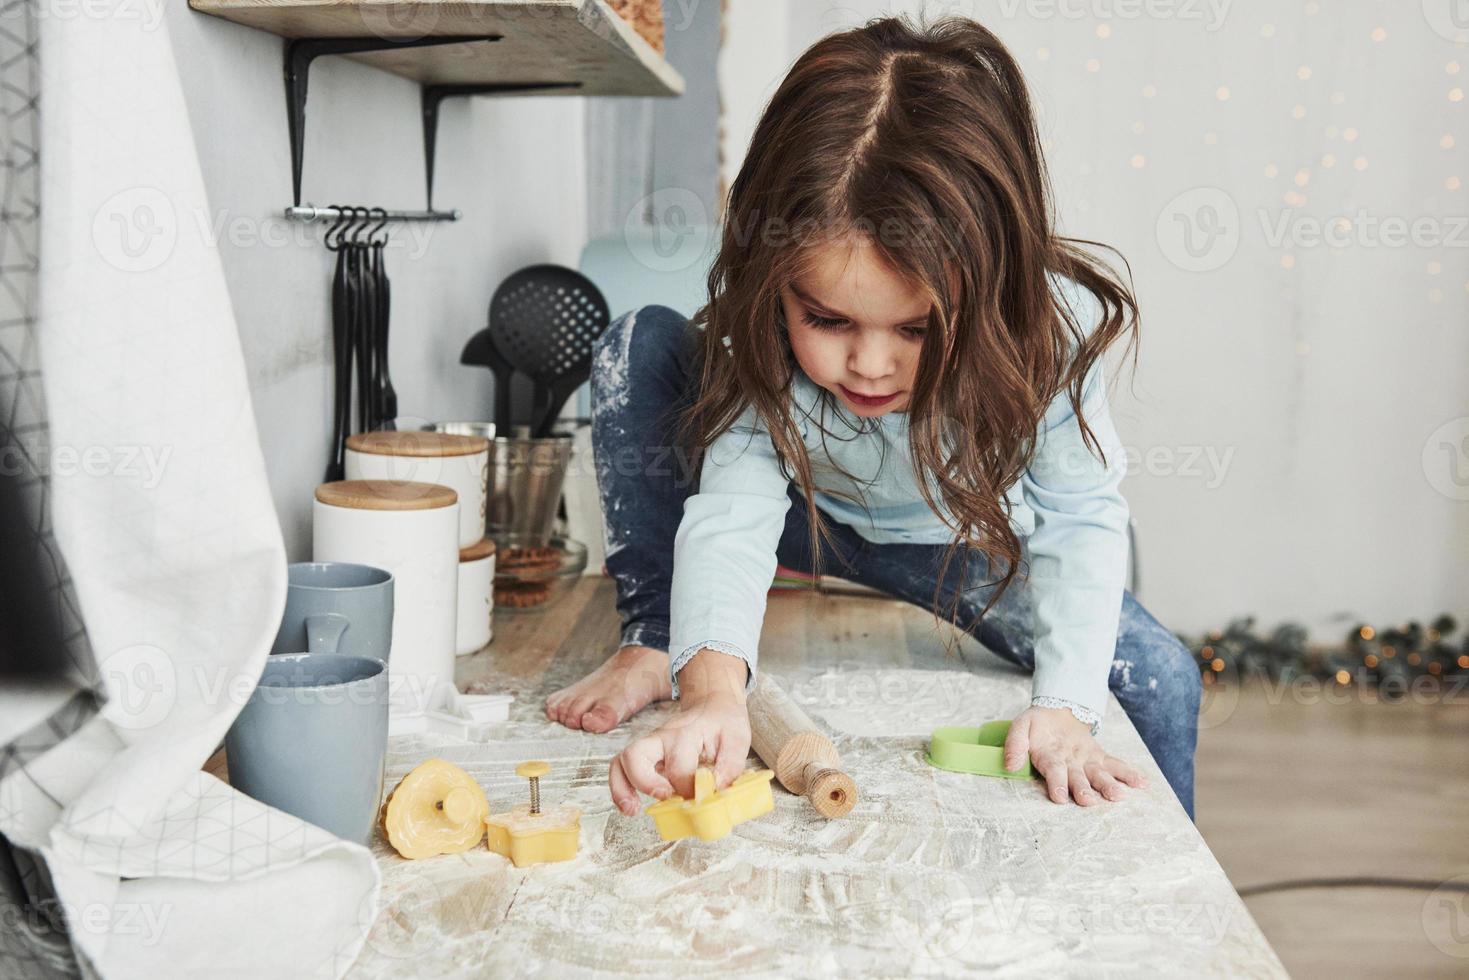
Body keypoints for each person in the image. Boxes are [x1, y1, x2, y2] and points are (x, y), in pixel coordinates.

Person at [546, 15, 1201, 819]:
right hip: (798, 513)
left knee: (1162, 678)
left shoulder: (1045, 334)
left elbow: (1079, 518)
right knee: (639, 343)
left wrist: (1064, 710)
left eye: (917, 329)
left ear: (989, 292)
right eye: (826, 321)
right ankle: (652, 637)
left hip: (951, 537)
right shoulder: (759, 334)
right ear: (772, 281)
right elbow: (733, 511)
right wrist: (710, 692)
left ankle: (1150, 901)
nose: (868, 365)